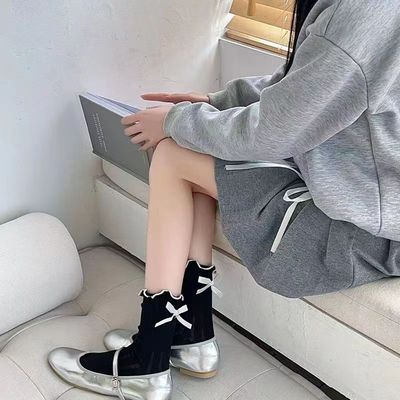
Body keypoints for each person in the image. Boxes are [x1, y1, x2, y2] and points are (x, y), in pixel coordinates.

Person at [48, 0, 400, 399]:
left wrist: (175, 122)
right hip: (369, 220)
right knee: (188, 151)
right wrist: (213, 103)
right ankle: (191, 335)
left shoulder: (365, 11)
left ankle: (149, 357)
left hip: (360, 237)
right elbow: (302, 85)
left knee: (173, 153)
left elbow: (274, 131)